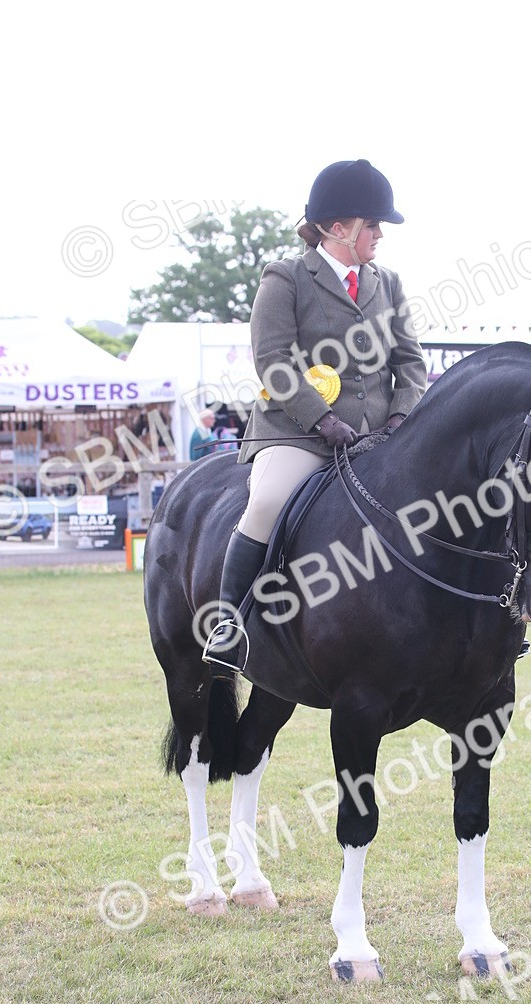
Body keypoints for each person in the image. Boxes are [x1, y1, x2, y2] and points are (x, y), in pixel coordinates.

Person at [202, 158, 428, 675]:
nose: (378, 234)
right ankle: (230, 623)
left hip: (377, 437)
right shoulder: (286, 278)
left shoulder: (387, 283)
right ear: (334, 228)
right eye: (370, 224)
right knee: (268, 502)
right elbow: (273, 361)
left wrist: (398, 421)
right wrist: (323, 420)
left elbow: (411, 363)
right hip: (297, 433)